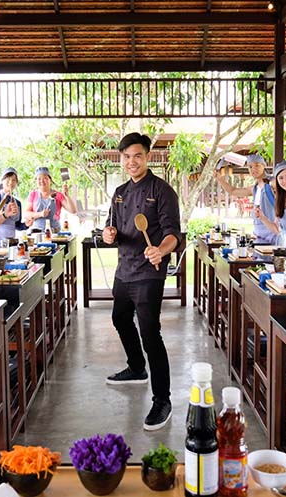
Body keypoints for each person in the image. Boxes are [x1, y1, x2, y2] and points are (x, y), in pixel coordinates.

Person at [102, 132, 181, 431]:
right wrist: (109, 235)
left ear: (147, 157)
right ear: (121, 159)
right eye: (126, 157)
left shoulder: (162, 191)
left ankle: (163, 399)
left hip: (150, 271)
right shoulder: (120, 191)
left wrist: (160, 249)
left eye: (137, 155)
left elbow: (173, 233)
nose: (131, 161)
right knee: (120, 318)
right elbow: (113, 228)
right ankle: (137, 367)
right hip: (124, 269)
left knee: (150, 332)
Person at [215, 154, 279, 243]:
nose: (253, 169)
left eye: (257, 165)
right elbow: (233, 191)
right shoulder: (255, 188)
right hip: (259, 234)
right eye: (250, 167)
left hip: (273, 234)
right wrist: (220, 179)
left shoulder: (273, 183)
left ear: (264, 166)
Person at [23, 166, 77, 232]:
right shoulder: (33, 194)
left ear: (50, 180)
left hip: (54, 232)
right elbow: (26, 214)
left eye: (45, 178)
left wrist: (67, 195)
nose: (42, 181)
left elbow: (73, 210)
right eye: (39, 179)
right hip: (37, 232)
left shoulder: (57, 195)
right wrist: (40, 214)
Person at [0, 167, 27, 248]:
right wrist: (4, 214)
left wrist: (27, 224)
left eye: (14, 180)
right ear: (2, 181)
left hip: (11, 244)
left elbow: (17, 225)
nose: (11, 182)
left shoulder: (17, 203)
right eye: (8, 179)